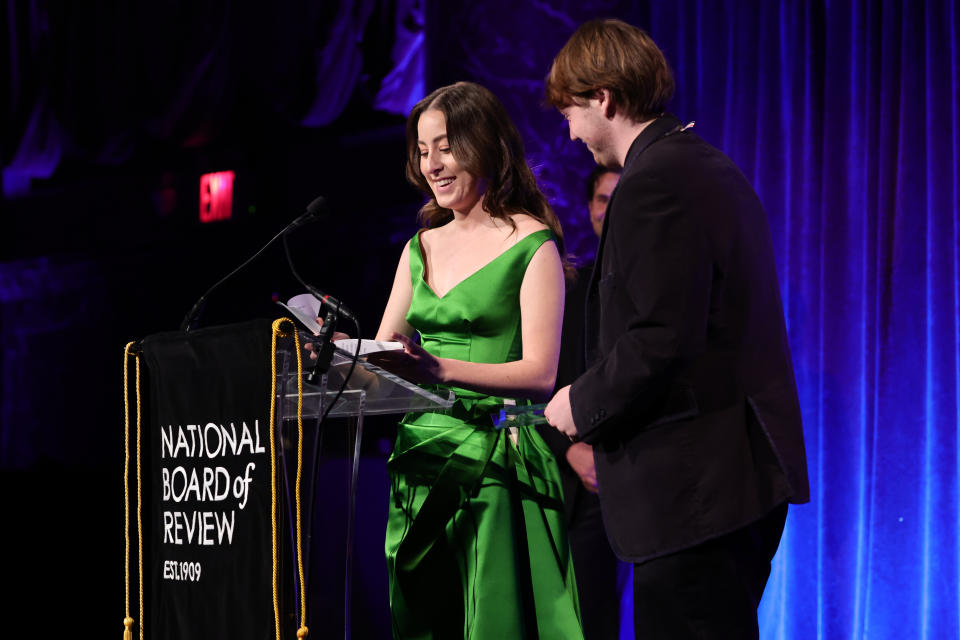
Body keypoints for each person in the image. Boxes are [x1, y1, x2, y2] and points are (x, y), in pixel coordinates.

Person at [542, 19, 810, 639]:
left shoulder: (654, 180)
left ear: (603, 97)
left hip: (696, 491)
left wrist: (578, 402)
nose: (572, 132)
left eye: (571, 112)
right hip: (729, 482)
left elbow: (660, 335)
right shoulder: (704, 164)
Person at [370, 81, 583, 639]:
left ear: (485, 145)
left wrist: (439, 368)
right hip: (419, 457)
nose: (432, 164)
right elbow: (385, 349)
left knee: (493, 619)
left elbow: (540, 374)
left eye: (445, 146)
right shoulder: (419, 247)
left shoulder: (532, 244)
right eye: (422, 150)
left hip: (497, 456)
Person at [536, 166, 622, 640]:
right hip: (579, 488)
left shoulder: (657, 286)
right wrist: (567, 447)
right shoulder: (568, 288)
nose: (610, 210)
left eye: (620, 197)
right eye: (602, 199)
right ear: (589, 208)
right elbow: (525, 395)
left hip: (646, 476)